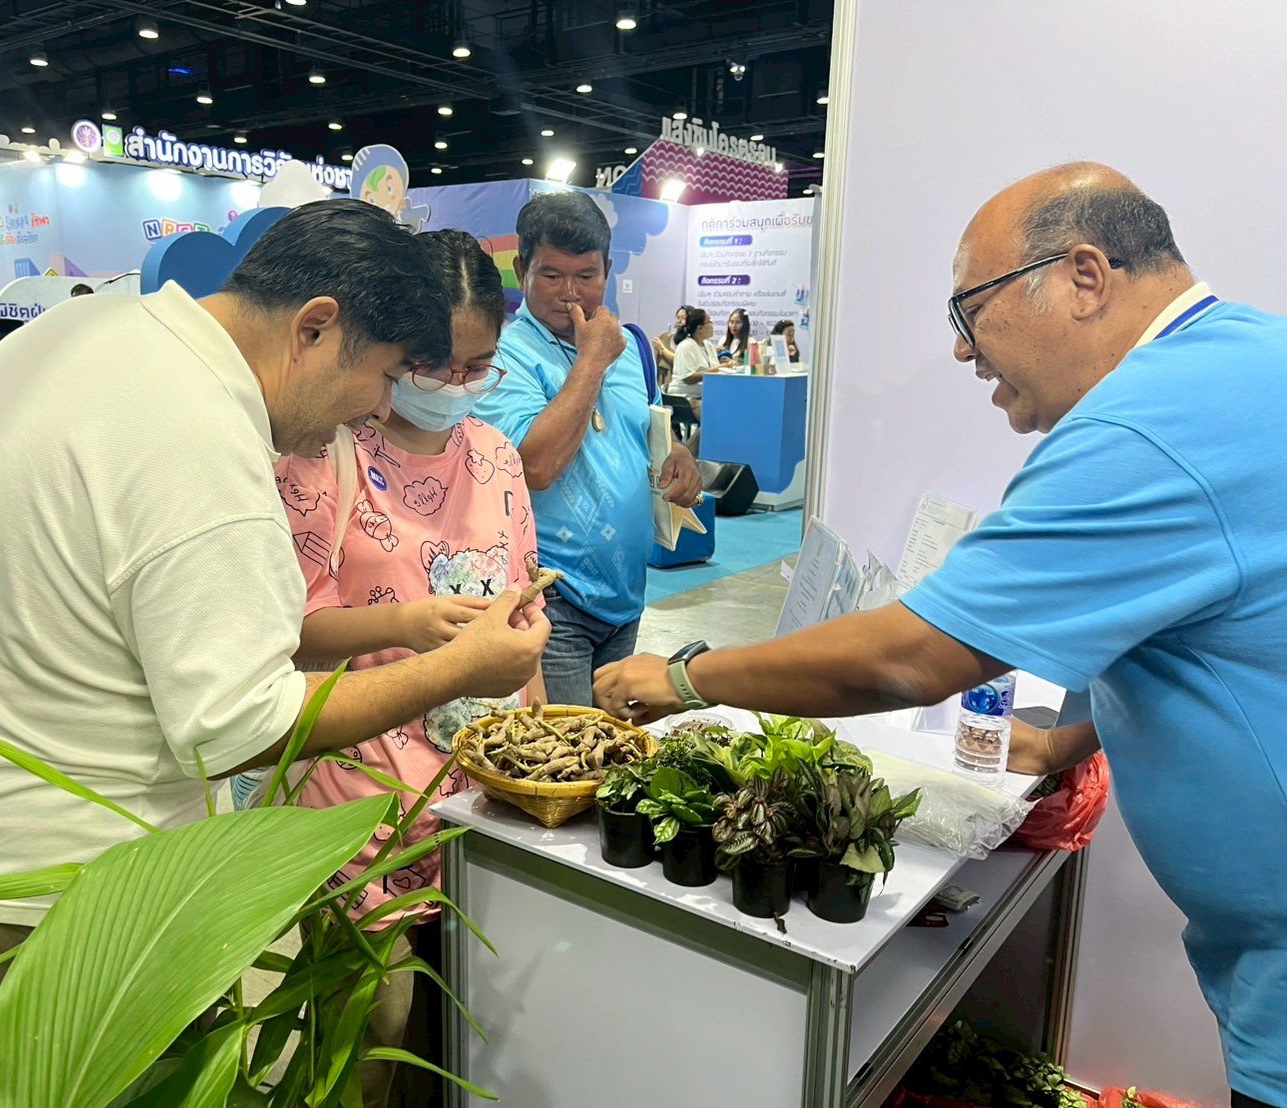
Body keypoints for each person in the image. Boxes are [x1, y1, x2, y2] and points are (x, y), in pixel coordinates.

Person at [593, 163, 1287, 1108]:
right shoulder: (1242, 361)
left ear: (1083, 277)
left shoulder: (1146, 430)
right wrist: (1071, 740)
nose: (963, 350)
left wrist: (685, 676)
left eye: (971, 310)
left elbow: (910, 655)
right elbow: (1217, 625)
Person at [0, 201, 549, 1104]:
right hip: (63, 887)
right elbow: (236, 726)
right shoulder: (202, 443)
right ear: (314, 327)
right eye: (385, 374)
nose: (380, 408)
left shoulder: (72, 334)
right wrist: (458, 670)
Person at [275, 229, 545, 1107]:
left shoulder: (495, 456)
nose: (455, 385)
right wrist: (406, 623)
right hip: (358, 808)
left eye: (479, 366)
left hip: (480, 801)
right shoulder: (321, 453)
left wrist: (535, 737)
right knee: (371, 1034)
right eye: (435, 365)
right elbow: (291, 632)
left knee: (467, 1031)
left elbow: (522, 603)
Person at [472, 189, 702, 707]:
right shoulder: (504, 356)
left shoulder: (631, 345)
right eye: (551, 276)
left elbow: (652, 424)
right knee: (566, 747)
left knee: (613, 740)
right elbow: (535, 466)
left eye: (587, 276)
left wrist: (679, 454)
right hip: (552, 595)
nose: (570, 294)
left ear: (608, 270)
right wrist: (592, 361)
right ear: (521, 269)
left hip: (628, 589)